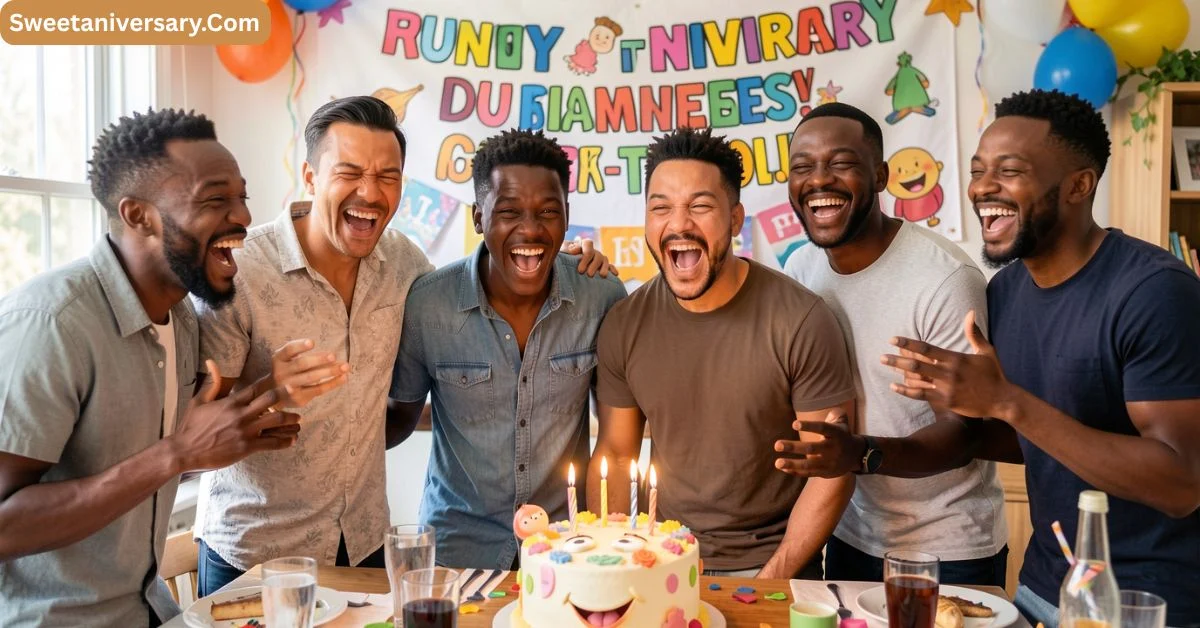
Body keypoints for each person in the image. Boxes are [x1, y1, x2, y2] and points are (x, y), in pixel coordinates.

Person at [194, 98, 613, 593]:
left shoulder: (405, 268)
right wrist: (269, 394)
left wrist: (568, 256)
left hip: (365, 543)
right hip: (254, 552)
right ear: (310, 176)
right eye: (349, 172)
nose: (370, 192)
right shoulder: (239, 271)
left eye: (387, 176)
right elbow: (192, 438)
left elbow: (498, 271)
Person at [876, 90, 1200, 626]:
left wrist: (1006, 401)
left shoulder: (1155, 292)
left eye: (1009, 171)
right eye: (978, 171)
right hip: (1040, 589)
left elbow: (1181, 484)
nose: (982, 188)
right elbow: (1035, 438)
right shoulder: (1005, 292)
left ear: (1079, 185)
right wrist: (878, 444)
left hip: (1142, 606)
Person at [0, 109, 305, 627]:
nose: (243, 217)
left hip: (147, 611)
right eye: (215, 200)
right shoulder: (50, 323)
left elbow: (142, 462)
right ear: (139, 215)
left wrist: (232, 433)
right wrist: (178, 453)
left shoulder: (181, 318)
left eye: (242, 197)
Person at [589, 126, 857, 579]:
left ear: (734, 220)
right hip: (664, 560)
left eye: (700, 206)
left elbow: (832, 471)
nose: (679, 224)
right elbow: (616, 454)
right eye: (661, 208)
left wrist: (770, 581)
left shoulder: (802, 320)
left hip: (777, 565)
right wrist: (614, 563)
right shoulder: (624, 323)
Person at [777, 102, 1008, 586]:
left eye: (841, 163)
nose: (819, 179)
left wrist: (861, 453)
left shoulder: (943, 279)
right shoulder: (801, 269)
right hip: (848, 533)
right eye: (802, 167)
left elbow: (964, 433)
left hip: (947, 548)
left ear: (880, 176)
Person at [389, 129, 627, 569]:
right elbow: (395, 421)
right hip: (456, 551)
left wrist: (606, 546)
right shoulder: (427, 305)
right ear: (479, 218)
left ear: (567, 216)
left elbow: (616, 438)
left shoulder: (602, 296)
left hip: (565, 548)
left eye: (548, 212)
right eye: (509, 212)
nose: (531, 229)